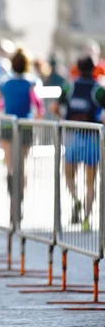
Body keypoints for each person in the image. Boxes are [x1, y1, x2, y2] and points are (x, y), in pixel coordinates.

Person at [52, 56, 105, 231]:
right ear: (94, 68)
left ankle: (76, 200)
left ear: (77, 68)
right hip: (92, 139)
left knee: (68, 176)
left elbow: (54, 107)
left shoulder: (69, 86)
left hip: (72, 136)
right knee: (90, 182)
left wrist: (62, 119)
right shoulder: (98, 90)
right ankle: (86, 220)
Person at [0, 48, 45, 221]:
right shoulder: (32, 82)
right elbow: (38, 105)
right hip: (24, 126)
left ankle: (12, 204)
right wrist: (37, 119)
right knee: (22, 166)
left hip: (8, 126)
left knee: (10, 167)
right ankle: (19, 201)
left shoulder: (4, 82)